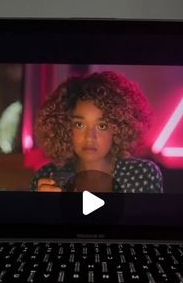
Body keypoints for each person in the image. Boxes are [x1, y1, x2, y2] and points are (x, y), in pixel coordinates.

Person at [30, 71, 163, 193]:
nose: (89, 137)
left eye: (102, 126)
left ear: (118, 129)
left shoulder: (142, 174)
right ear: (64, 127)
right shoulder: (47, 176)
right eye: (79, 124)